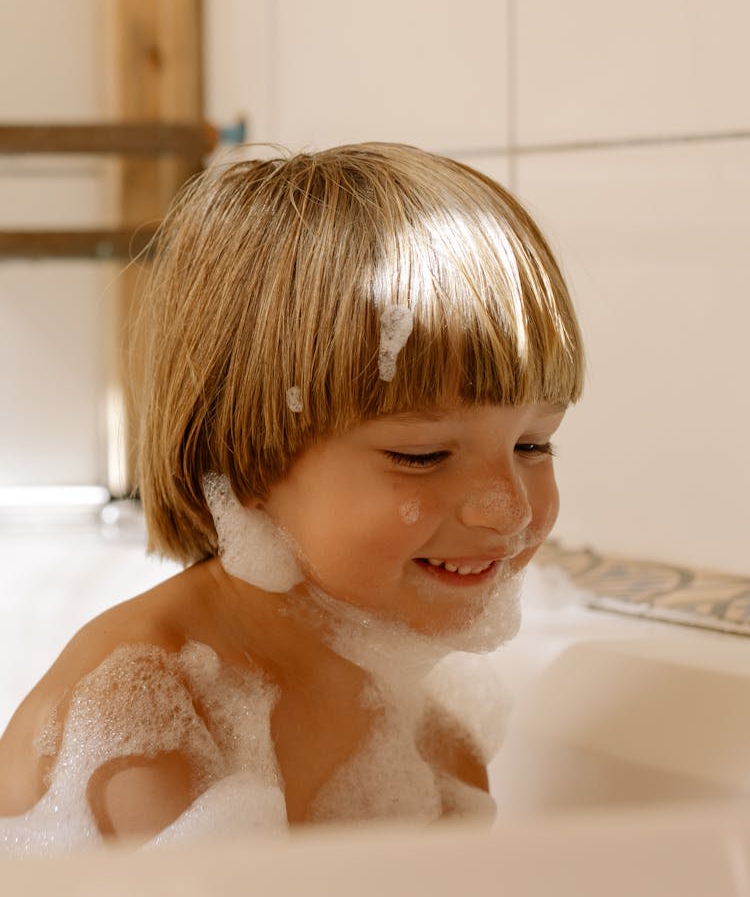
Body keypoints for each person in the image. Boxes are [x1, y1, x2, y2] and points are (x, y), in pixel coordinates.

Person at [0, 142, 583, 851]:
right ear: (248, 458)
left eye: (534, 444)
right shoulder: (148, 713)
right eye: (421, 455)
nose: (510, 509)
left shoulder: (440, 744)